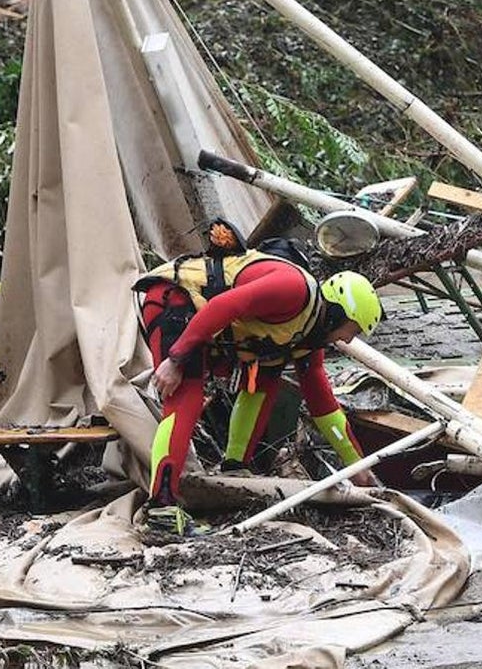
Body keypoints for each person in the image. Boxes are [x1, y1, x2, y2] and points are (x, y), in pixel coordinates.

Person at [133, 221, 383, 533]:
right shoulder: (294, 289)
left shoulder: (307, 339)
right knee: (186, 397)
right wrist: (176, 358)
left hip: (201, 319)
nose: (347, 340)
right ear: (339, 311)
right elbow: (225, 304)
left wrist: (358, 468)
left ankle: (235, 466)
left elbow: (324, 406)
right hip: (174, 298)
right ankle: (162, 510)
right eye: (353, 329)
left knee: (267, 374)